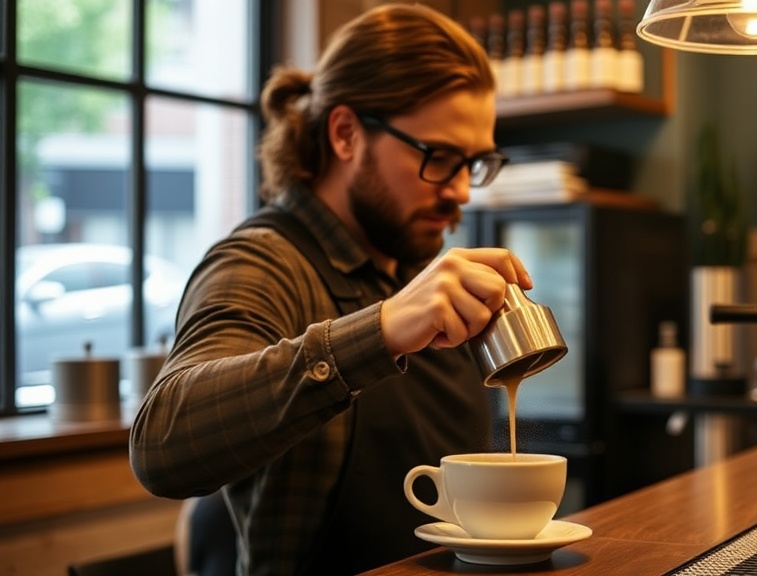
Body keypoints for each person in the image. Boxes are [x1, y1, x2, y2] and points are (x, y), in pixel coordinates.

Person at [129, 5, 530, 574]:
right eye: (439, 157)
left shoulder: (420, 276)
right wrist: (381, 331)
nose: (462, 190)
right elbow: (161, 444)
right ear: (345, 134)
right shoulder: (265, 263)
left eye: (476, 163)